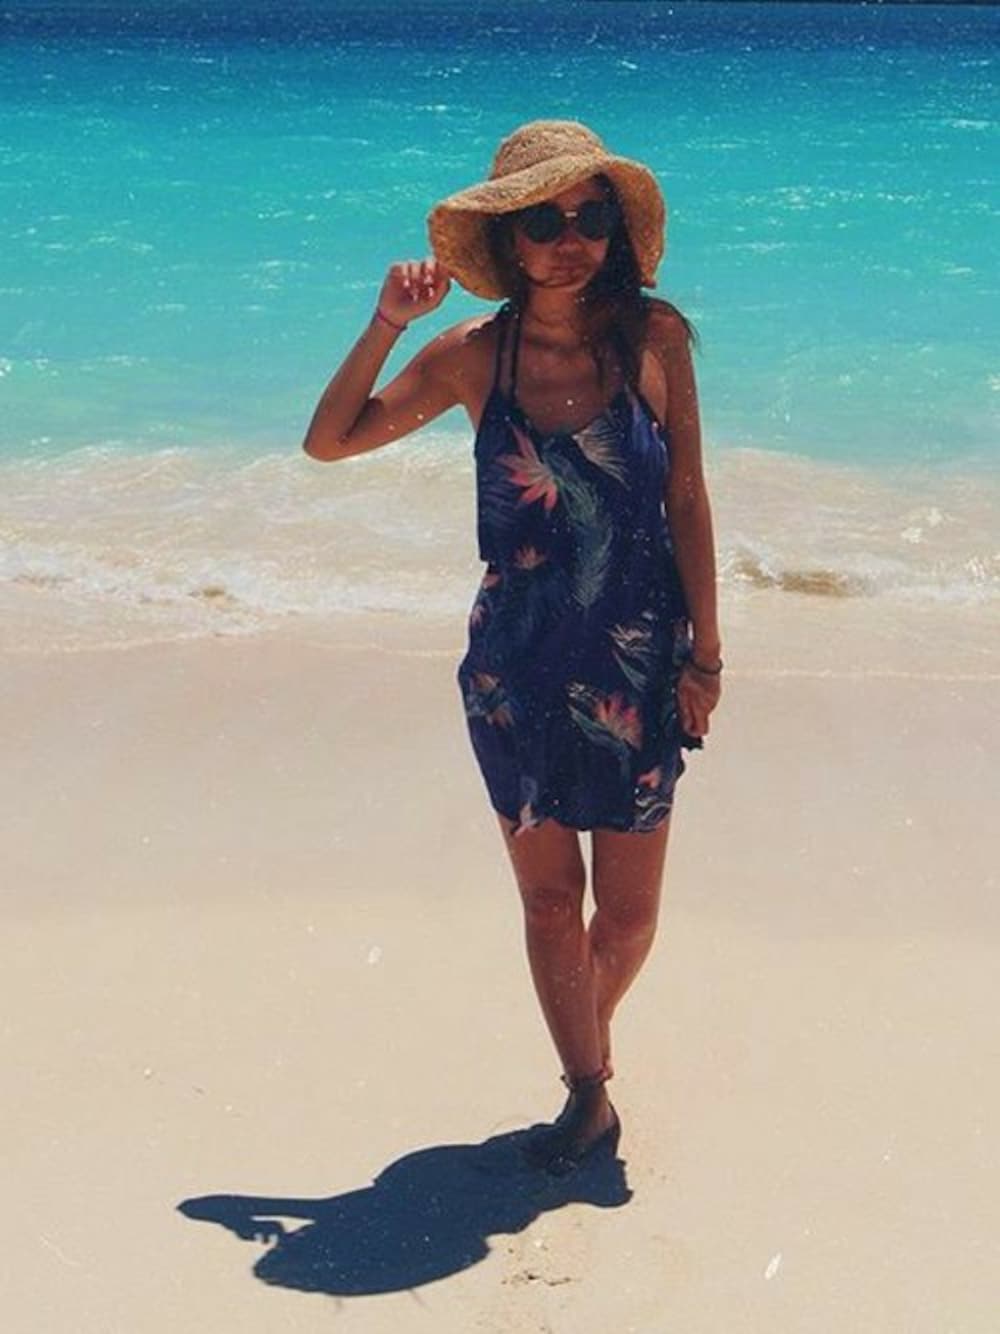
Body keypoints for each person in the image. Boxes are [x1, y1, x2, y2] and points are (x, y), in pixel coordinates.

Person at [302, 120, 722, 1175]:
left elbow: (685, 496)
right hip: (516, 667)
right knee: (547, 902)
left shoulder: (654, 338)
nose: (570, 240)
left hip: (637, 663)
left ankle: (583, 1031)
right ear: (509, 239)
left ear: (614, 230)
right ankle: (588, 1091)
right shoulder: (471, 359)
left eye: (590, 216)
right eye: (545, 222)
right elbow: (330, 440)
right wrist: (386, 324)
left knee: (627, 919)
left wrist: (706, 655)